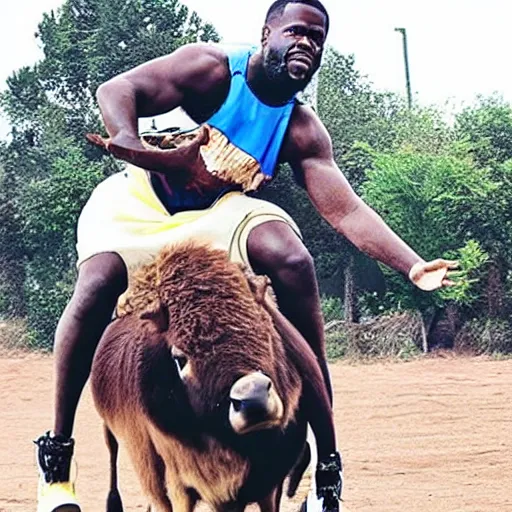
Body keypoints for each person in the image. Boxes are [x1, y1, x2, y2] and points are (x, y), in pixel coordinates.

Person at [34, 1, 458, 511]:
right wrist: (133, 146)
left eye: (318, 39)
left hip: (218, 210)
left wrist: (411, 264)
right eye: (297, 32)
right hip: (139, 198)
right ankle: (56, 459)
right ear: (267, 34)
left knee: (292, 258)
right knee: (99, 282)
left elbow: (345, 211)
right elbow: (116, 90)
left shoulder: (301, 129)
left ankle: (327, 469)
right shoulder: (210, 70)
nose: (308, 43)